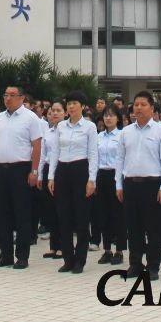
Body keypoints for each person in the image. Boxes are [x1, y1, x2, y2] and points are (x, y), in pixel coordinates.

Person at [116, 90, 161, 280]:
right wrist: (119, 185)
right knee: (133, 228)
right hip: (130, 184)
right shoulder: (126, 132)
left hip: (152, 185)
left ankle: (153, 265)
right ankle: (135, 264)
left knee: (153, 228)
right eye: (136, 105)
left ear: (152, 108)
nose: (138, 108)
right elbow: (120, 160)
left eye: (143, 104)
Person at [0, 85, 44, 269]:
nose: (8, 98)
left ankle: (22, 256)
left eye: (12, 95)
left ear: (21, 98)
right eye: (6, 95)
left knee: (22, 214)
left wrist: (34, 171)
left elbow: (37, 146)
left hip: (21, 170)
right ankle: (5, 255)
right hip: (1, 170)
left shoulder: (30, 118)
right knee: (1, 213)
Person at [50, 91, 98, 274]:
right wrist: (51, 176)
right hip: (63, 170)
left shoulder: (89, 127)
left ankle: (80, 260)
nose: (71, 106)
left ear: (82, 106)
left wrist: (91, 179)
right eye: (68, 103)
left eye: (74, 103)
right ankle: (68, 259)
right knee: (64, 217)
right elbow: (55, 151)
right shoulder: (61, 126)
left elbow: (93, 154)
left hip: (81, 170)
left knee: (81, 217)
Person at [94, 106, 126, 265]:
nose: (108, 118)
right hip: (102, 175)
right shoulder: (99, 136)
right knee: (103, 214)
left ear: (118, 118)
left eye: (112, 115)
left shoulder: (122, 135)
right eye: (106, 115)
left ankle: (119, 251)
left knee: (118, 215)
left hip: (117, 176)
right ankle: (107, 250)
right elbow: (94, 158)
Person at [37, 101, 65, 259]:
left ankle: (63, 246)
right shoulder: (48, 132)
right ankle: (54, 246)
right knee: (51, 210)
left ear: (65, 113)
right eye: (52, 110)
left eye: (58, 110)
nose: (54, 113)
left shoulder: (66, 131)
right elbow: (43, 155)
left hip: (62, 169)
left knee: (61, 210)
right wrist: (40, 175)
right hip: (48, 169)